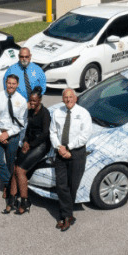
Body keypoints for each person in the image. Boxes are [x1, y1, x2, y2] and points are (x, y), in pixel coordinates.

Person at [50, 88, 92, 231]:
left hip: (77, 153)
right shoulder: (57, 113)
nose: (68, 99)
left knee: (72, 185)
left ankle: (66, 215)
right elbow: (53, 132)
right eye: (65, 97)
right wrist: (59, 147)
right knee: (61, 185)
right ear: (63, 99)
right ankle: (66, 216)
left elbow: (84, 136)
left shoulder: (84, 114)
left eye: (70, 97)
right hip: (61, 152)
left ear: (75, 98)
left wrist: (68, 147)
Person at [7, 90, 51, 215]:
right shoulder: (30, 111)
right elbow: (28, 130)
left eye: (34, 101)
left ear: (40, 100)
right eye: (30, 100)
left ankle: (25, 202)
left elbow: (44, 134)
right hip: (30, 143)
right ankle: (12, 198)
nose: (31, 103)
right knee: (16, 167)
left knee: (21, 170)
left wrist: (30, 145)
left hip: (41, 145)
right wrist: (26, 141)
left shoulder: (45, 113)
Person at [0, 74, 27, 206]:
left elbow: (20, 123)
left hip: (13, 135)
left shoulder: (21, 101)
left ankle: (8, 188)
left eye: (13, 84)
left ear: (17, 85)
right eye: (8, 83)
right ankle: (10, 184)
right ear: (5, 83)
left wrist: (8, 134)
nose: (10, 86)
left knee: (11, 163)